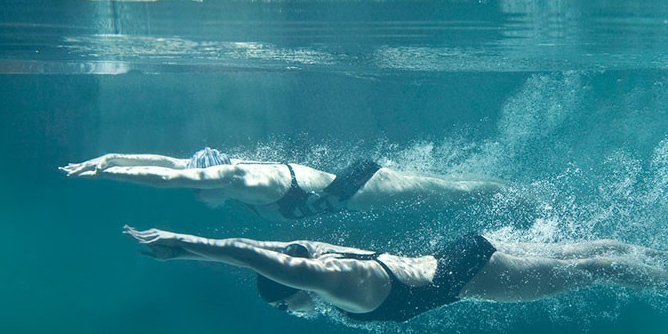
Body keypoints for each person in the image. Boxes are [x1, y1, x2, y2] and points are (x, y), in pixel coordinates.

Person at [124, 227, 668, 322]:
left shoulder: (333, 285)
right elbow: (283, 245)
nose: (294, 312)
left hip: (468, 275)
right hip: (457, 254)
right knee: (586, 253)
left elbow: (263, 256)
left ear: (296, 289)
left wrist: (187, 247)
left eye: (287, 304)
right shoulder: (333, 258)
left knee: (597, 269)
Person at [62, 148, 503, 219]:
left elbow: (165, 178)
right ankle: (500, 188)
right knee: (440, 190)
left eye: (197, 188)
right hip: (343, 194)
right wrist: (107, 158)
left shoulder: (236, 178)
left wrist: (111, 173)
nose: (197, 195)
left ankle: (506, 190)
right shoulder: (225, 176)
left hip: (360, 191)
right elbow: (166, 163)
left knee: (446, 192)